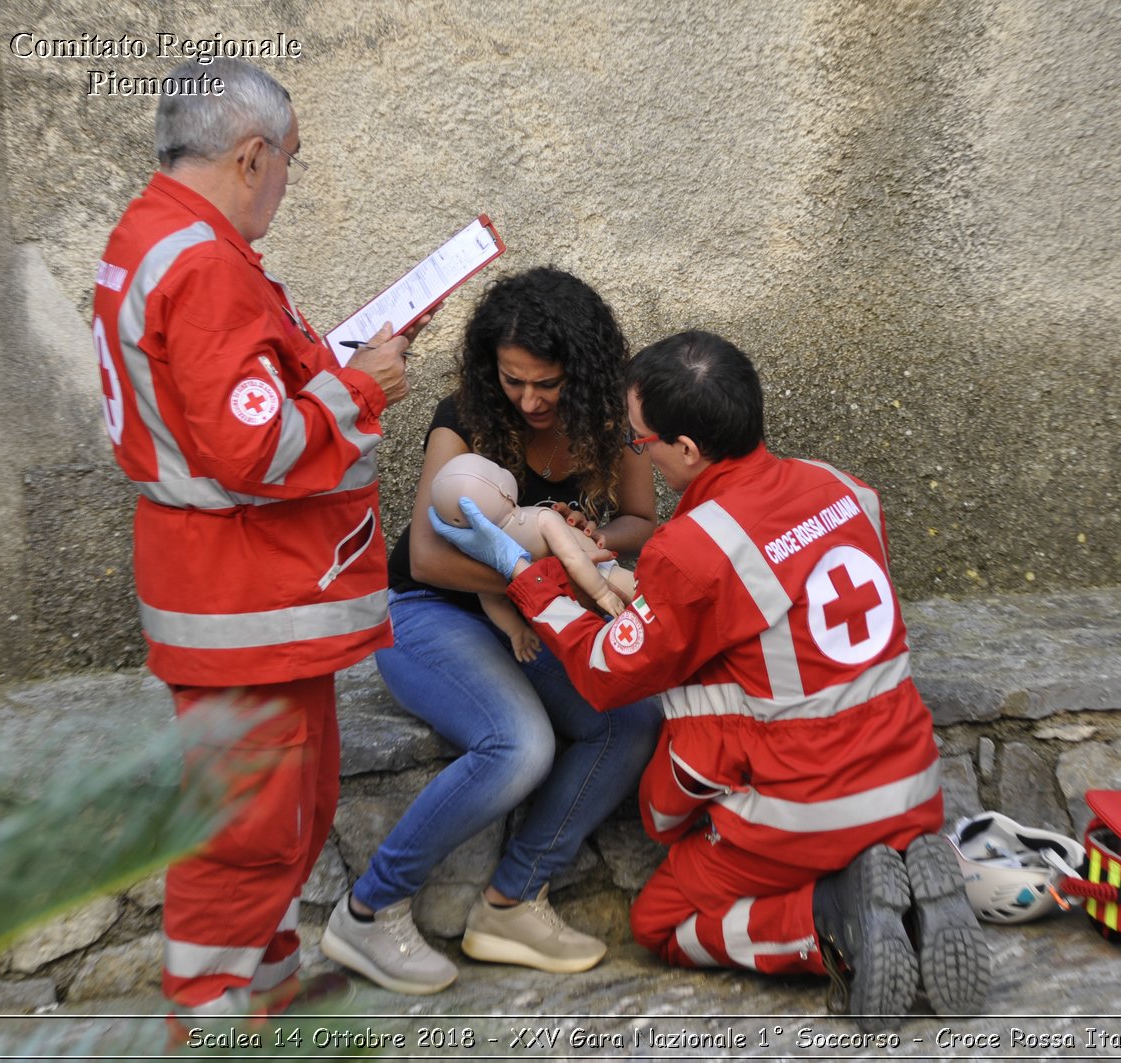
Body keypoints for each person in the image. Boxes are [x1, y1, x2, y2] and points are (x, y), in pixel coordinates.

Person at [434, 330, 991, 1028]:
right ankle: (892, 891)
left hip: (805, 808)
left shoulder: (696, 546)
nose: (638, 451)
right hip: (912, 785)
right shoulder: (846, 489)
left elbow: (607, 674)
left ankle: (832, 922)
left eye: (641, 441)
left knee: (661, 922)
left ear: (687, 450)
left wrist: (527, 577)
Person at [91, 59, 431, 1019]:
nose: (289, 178)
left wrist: (340, 360)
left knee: (290, 812)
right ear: (250, 155)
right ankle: (212, 1019)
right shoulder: (202, 261)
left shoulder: (156, 234)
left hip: (249, 597)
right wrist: (361, 387)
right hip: (243, 597)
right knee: (251, 833)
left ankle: (266, 996)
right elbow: (254, 447)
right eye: (291, 160)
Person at [320, 267, 663, 994]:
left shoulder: (610, 420)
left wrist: (590, 539)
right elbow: (430, 556)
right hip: (430, 611)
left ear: (587, 371)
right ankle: (368, 907)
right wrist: (547, 572)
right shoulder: (465, 416)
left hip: (536, 614)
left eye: (549, 383)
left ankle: (510, 900)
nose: (532, 400)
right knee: (519, 743)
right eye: (515, 381)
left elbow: (640, 518)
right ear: (489, 368)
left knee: (631, 718)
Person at [430, 452, 634, 661]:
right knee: (644, 600)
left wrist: (517, 631)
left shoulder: (486, 556)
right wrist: (602, 593)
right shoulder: (541, 517)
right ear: (505, 490)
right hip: (601, 575)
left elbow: (492, 601)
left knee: (602, 652)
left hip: (562, 608)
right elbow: (573, 558)